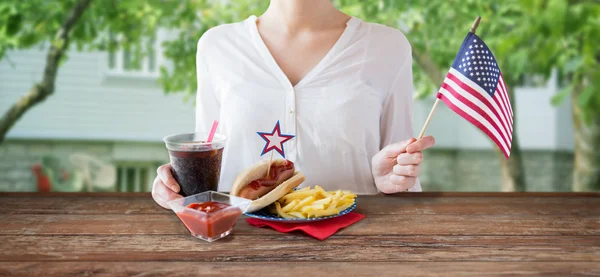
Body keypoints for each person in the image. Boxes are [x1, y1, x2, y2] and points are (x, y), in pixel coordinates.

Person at [152, 0, 435, 209]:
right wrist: (178, 186)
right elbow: (208, 157)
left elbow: (402, 172)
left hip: (353, 246)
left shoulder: (387, 46)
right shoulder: (217, 45)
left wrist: (392, 182)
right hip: (243, 247)